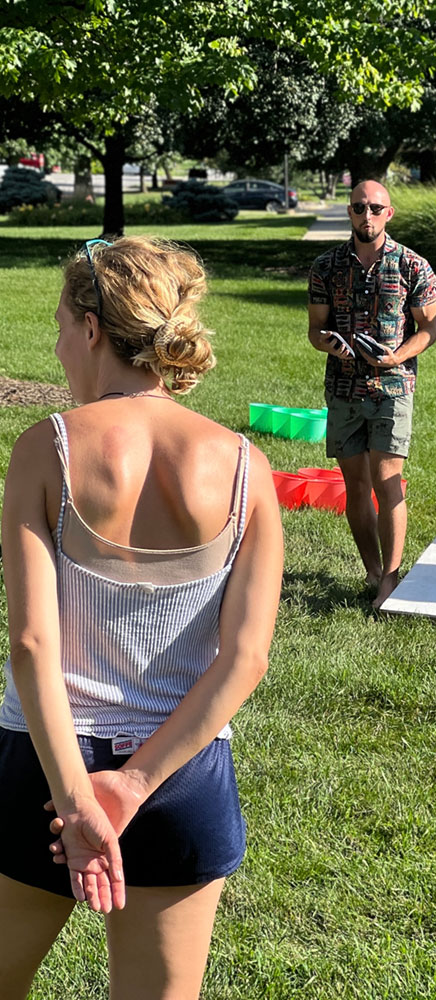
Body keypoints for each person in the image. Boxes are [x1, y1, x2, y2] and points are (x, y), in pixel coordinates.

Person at [0, 236, 284, 998]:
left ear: (92, 329)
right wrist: (132, 785)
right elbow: (246, 658)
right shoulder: (246, 468)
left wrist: (75, 800)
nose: (58, 347)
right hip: (180, 779)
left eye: (62, 327)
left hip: (43, 769)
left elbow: (31, 644)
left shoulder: (47, 449)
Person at [307, 180, 436, 610]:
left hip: (392, 387)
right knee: (356, 485)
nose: (368, 215)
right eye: (360, 207)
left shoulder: (412, 266)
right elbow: (315, 329)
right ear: (349, 211)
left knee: (388, 481)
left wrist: (396, 356)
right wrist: (328, 343)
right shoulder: (326, 267)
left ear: (389, 213)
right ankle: (372, 570)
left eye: (376, 208)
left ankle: (391, 579)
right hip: (343, 387)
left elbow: (429, 329)